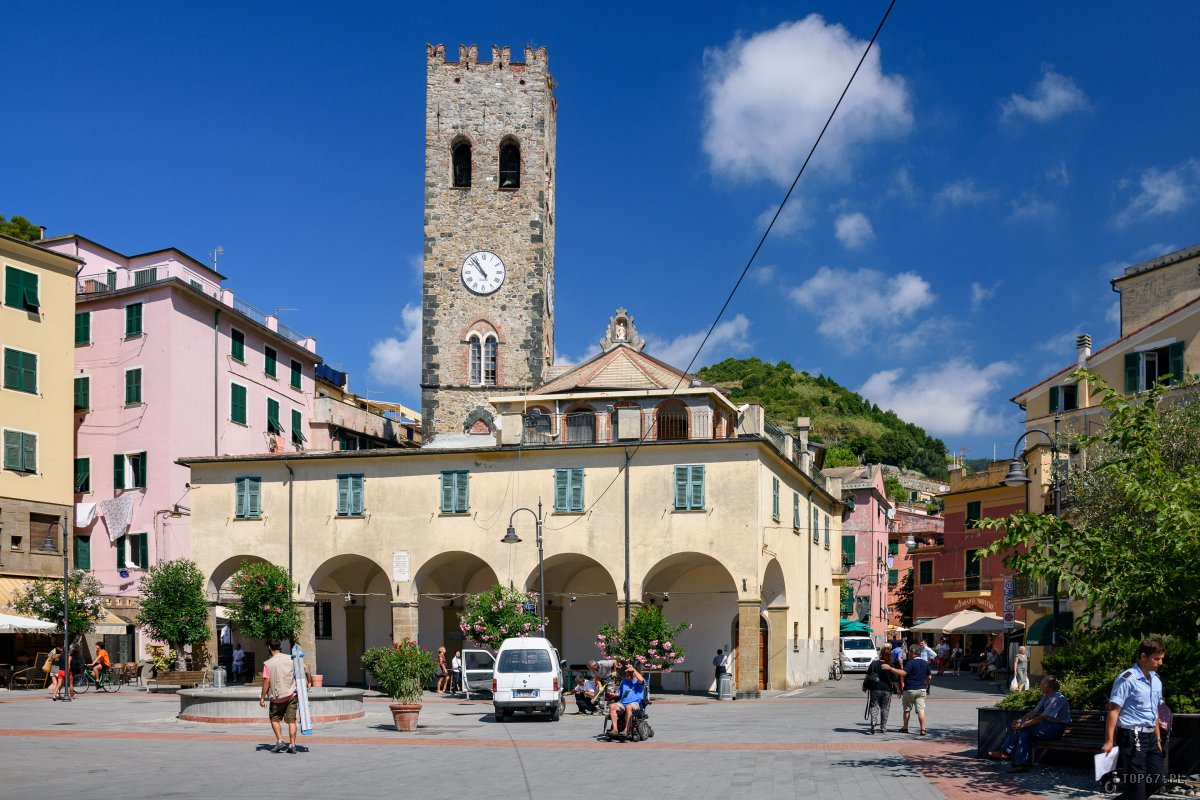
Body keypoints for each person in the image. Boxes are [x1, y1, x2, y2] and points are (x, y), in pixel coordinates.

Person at [1101, 637, 1166, 799]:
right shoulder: (1127, 678)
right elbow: (1114, 711)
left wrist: (1158, 738)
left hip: (1151, 737)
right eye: (1156, 659)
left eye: (1161, 659)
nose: (1160, 663)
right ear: (1143, 657)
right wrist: (1109, 741)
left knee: (1156, 781)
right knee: (1137, 787)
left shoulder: (1156, 680)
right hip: (1132, 736)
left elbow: (1155, 711)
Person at [988, 676, 1071, 772]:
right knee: (1023, 732)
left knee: (1025, 731)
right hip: (1046, 726)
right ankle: (1015, 760)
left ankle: (1013, 758)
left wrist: (1023, 725)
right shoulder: (1046, 697)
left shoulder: (1058, 699)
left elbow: (1041, 717)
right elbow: (1034, 712)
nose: (1040, 686)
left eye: (1042, 684)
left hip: (1055, 729)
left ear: (1048, 686)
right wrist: (1021, 721)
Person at [259, 638, 311, 755]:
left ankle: (280, 740)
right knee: (292, 721)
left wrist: (262, 697)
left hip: (276, 697)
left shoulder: (268, 664)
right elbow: (306, 668)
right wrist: (309, 681)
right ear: (280, 647)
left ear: (269, 647)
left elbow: (267, 681)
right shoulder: (291, 659)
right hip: (291, 695)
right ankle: (292, 745)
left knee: (274, 718)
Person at [863, 645, 905, 734]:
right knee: (885, 708)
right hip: (887, 689)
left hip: (875, 688)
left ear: (880, 654)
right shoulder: (890, 665)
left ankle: (874, 721)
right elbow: (894, 680)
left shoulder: (874, 663)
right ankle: (883, 727)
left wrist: (864, 686)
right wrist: (898, 690)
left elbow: (867, 675)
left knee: (874, 705)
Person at [901, 644, 933, 735]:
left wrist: (891, 669)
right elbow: (929, 676)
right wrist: (925, 684)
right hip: (921, 688)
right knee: (921, 710)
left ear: (912, 652)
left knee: (907, 709)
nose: (909, 654)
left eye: (909, 652)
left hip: (910, 688)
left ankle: (905, 727)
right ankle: (923, 729)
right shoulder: (925, 662)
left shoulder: (910, 662)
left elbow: (904, 673)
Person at [609, 663, 646, 737]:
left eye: (630, 674)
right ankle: (615, 730)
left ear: (634, 674)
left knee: (628, 707)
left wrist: (634, 670)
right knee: (612, 706)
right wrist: (614, 694)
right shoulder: (624, 682)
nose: (629, 676)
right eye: (627, 674)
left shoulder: (638, 682)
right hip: (623, 703)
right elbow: (619, 693)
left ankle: (626, 730)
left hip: (635, 703)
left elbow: (641, 679)